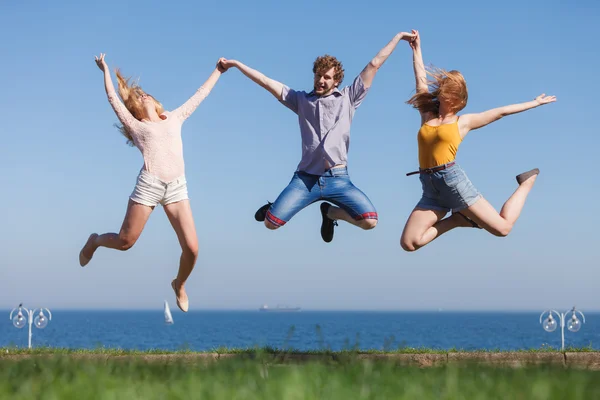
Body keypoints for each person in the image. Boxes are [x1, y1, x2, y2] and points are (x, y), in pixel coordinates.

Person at [219, 32, 415, 242]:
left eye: (327, 77)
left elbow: (374, 64)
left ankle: (330, 213)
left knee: (369, 221)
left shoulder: (349, 97)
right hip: (305, 179)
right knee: (270, 224)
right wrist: (237, 65)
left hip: (338, 179)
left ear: (337, 80)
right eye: (318, 76)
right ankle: (275, 207)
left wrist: (399, 37)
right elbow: (267, 82)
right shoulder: (301, 100)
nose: (321, 81)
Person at [78, 53, 227, 312]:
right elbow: (114, 100)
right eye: (138, 96)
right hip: (149, 185)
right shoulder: (137, 126)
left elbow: (199, 95)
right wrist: (104, 70)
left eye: (146, 93)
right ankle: (95, 241)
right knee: (125, 242)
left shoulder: (174, 117)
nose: (143, 95)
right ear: (135, 106)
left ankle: (179, 284)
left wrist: (218, 70)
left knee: (192, 248)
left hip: (177, 187)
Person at [400, 30, 556, 252]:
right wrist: (416, 49)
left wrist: (534, 103)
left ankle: (527, 182)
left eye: (455, 93)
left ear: (458, 99)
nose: (449, 96)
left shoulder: (463, 122)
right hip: (430, 188)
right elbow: (420, 80)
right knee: (409, 243)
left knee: (503, 228)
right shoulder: (427, 115)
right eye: (447, 90)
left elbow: (500, 112)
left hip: (452, 183)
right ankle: (457, 220)